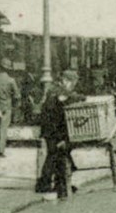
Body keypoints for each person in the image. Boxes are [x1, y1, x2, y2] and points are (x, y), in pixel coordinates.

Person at [35, 69, 83, 198]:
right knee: (55, 155)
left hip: (53, 128)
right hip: (53, 129)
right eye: (72, 83)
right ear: (66, 81)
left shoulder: (55, 90)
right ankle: (50, 184)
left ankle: (55, 184)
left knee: (56, 155)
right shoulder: (56, 91)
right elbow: (67, 97)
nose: (73, 86)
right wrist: (82, 98)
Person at [0, 59, 21, 159]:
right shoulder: (11, 81)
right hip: (6, 107)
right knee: (3, 129)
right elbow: (17, 96)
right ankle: (0, 151)